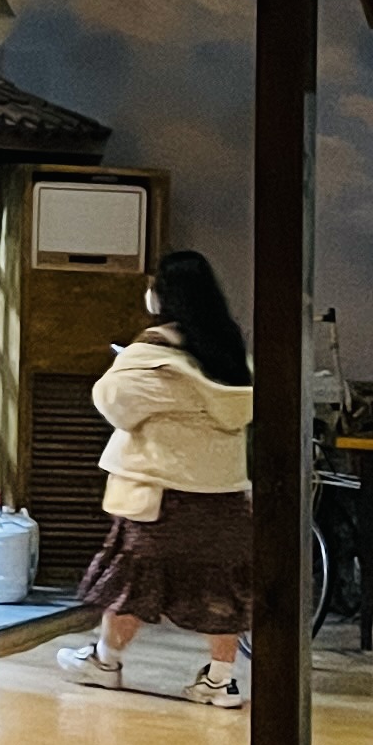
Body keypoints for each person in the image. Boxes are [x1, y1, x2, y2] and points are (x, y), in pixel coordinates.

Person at [55, 248, 257, 708]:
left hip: (161, 493)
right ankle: (220, 679)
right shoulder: (229, 350)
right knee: (220, 587)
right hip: (223, 494)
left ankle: (105, 661)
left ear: (163, 295)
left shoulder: (150, 353)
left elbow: (113, 403)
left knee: (133, 582)